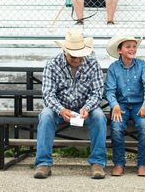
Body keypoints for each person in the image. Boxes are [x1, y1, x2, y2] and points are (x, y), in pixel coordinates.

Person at [33, 29, 107, 179]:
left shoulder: (92, 64)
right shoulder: (52, 65)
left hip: (86, 107)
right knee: (46, 115)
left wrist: (87, 107)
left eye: (80, 56)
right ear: (64, 51)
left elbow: (97, 92)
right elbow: (48, 94)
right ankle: (43, 163)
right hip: (60, 108)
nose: (78, 60)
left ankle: (97, 163)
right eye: (73, 56)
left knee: (99, 116)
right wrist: (61, 110)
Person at [105, 35, 145, 177]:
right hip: (121, 105)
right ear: (120, 50)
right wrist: (114, 105)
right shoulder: (113, 68)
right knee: (116, 127)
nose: (132, 49)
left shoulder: (142, 65)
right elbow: (110, 90)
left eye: (134, 46)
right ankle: (119, 163)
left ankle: (143, 163)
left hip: (139, 104)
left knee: (144, 127)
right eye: (128, 47)